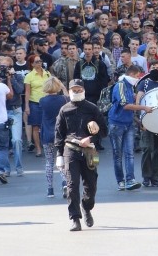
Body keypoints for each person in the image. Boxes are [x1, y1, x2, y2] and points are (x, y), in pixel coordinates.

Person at [55, 79, 107, 232]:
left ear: (83, 90)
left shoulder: (92, 108)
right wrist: (59, 154)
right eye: (73, 90)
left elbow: (104, 131)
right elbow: (58, 133)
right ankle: (75, 219)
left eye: (79, 89)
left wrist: (90, 138)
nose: (76, 92)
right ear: (69, 91)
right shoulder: (64, 110)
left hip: (89, 150)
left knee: (91, 185)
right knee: (71, 186)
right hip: (70, 149)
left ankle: (86, 206)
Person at [108, 65, 147, 191]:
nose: (137, 79)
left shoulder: (129, 85)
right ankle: (121, 181)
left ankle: (130, 180)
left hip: (128, 123)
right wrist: (144, 109)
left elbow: (128, 109)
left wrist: (137, 121)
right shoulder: (121, 85)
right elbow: (125, 105)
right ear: (131, 74)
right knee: (118, 154)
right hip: (117, 124)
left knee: (129, 153)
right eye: (137, 76)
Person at [39, 77, 69, 198]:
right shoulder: (64, 99)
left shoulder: (42, 101)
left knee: (49, 161)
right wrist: (63, 87)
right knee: (61, 159)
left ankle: (50, 189)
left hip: (47, 132)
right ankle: (64, 181)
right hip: (61, 133)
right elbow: (70, 99)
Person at [24, 54, 52, 157]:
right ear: (32, 64)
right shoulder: (29, 76)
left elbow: (51, 87)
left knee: (47, 125)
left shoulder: (47, 73)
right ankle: (38, 149)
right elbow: (27, 92)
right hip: (34, 102)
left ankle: (47, 147)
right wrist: (26, 106)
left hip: (47, 102)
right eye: (36, 61)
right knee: (35, 126)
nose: (39, 63)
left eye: (40, 61)